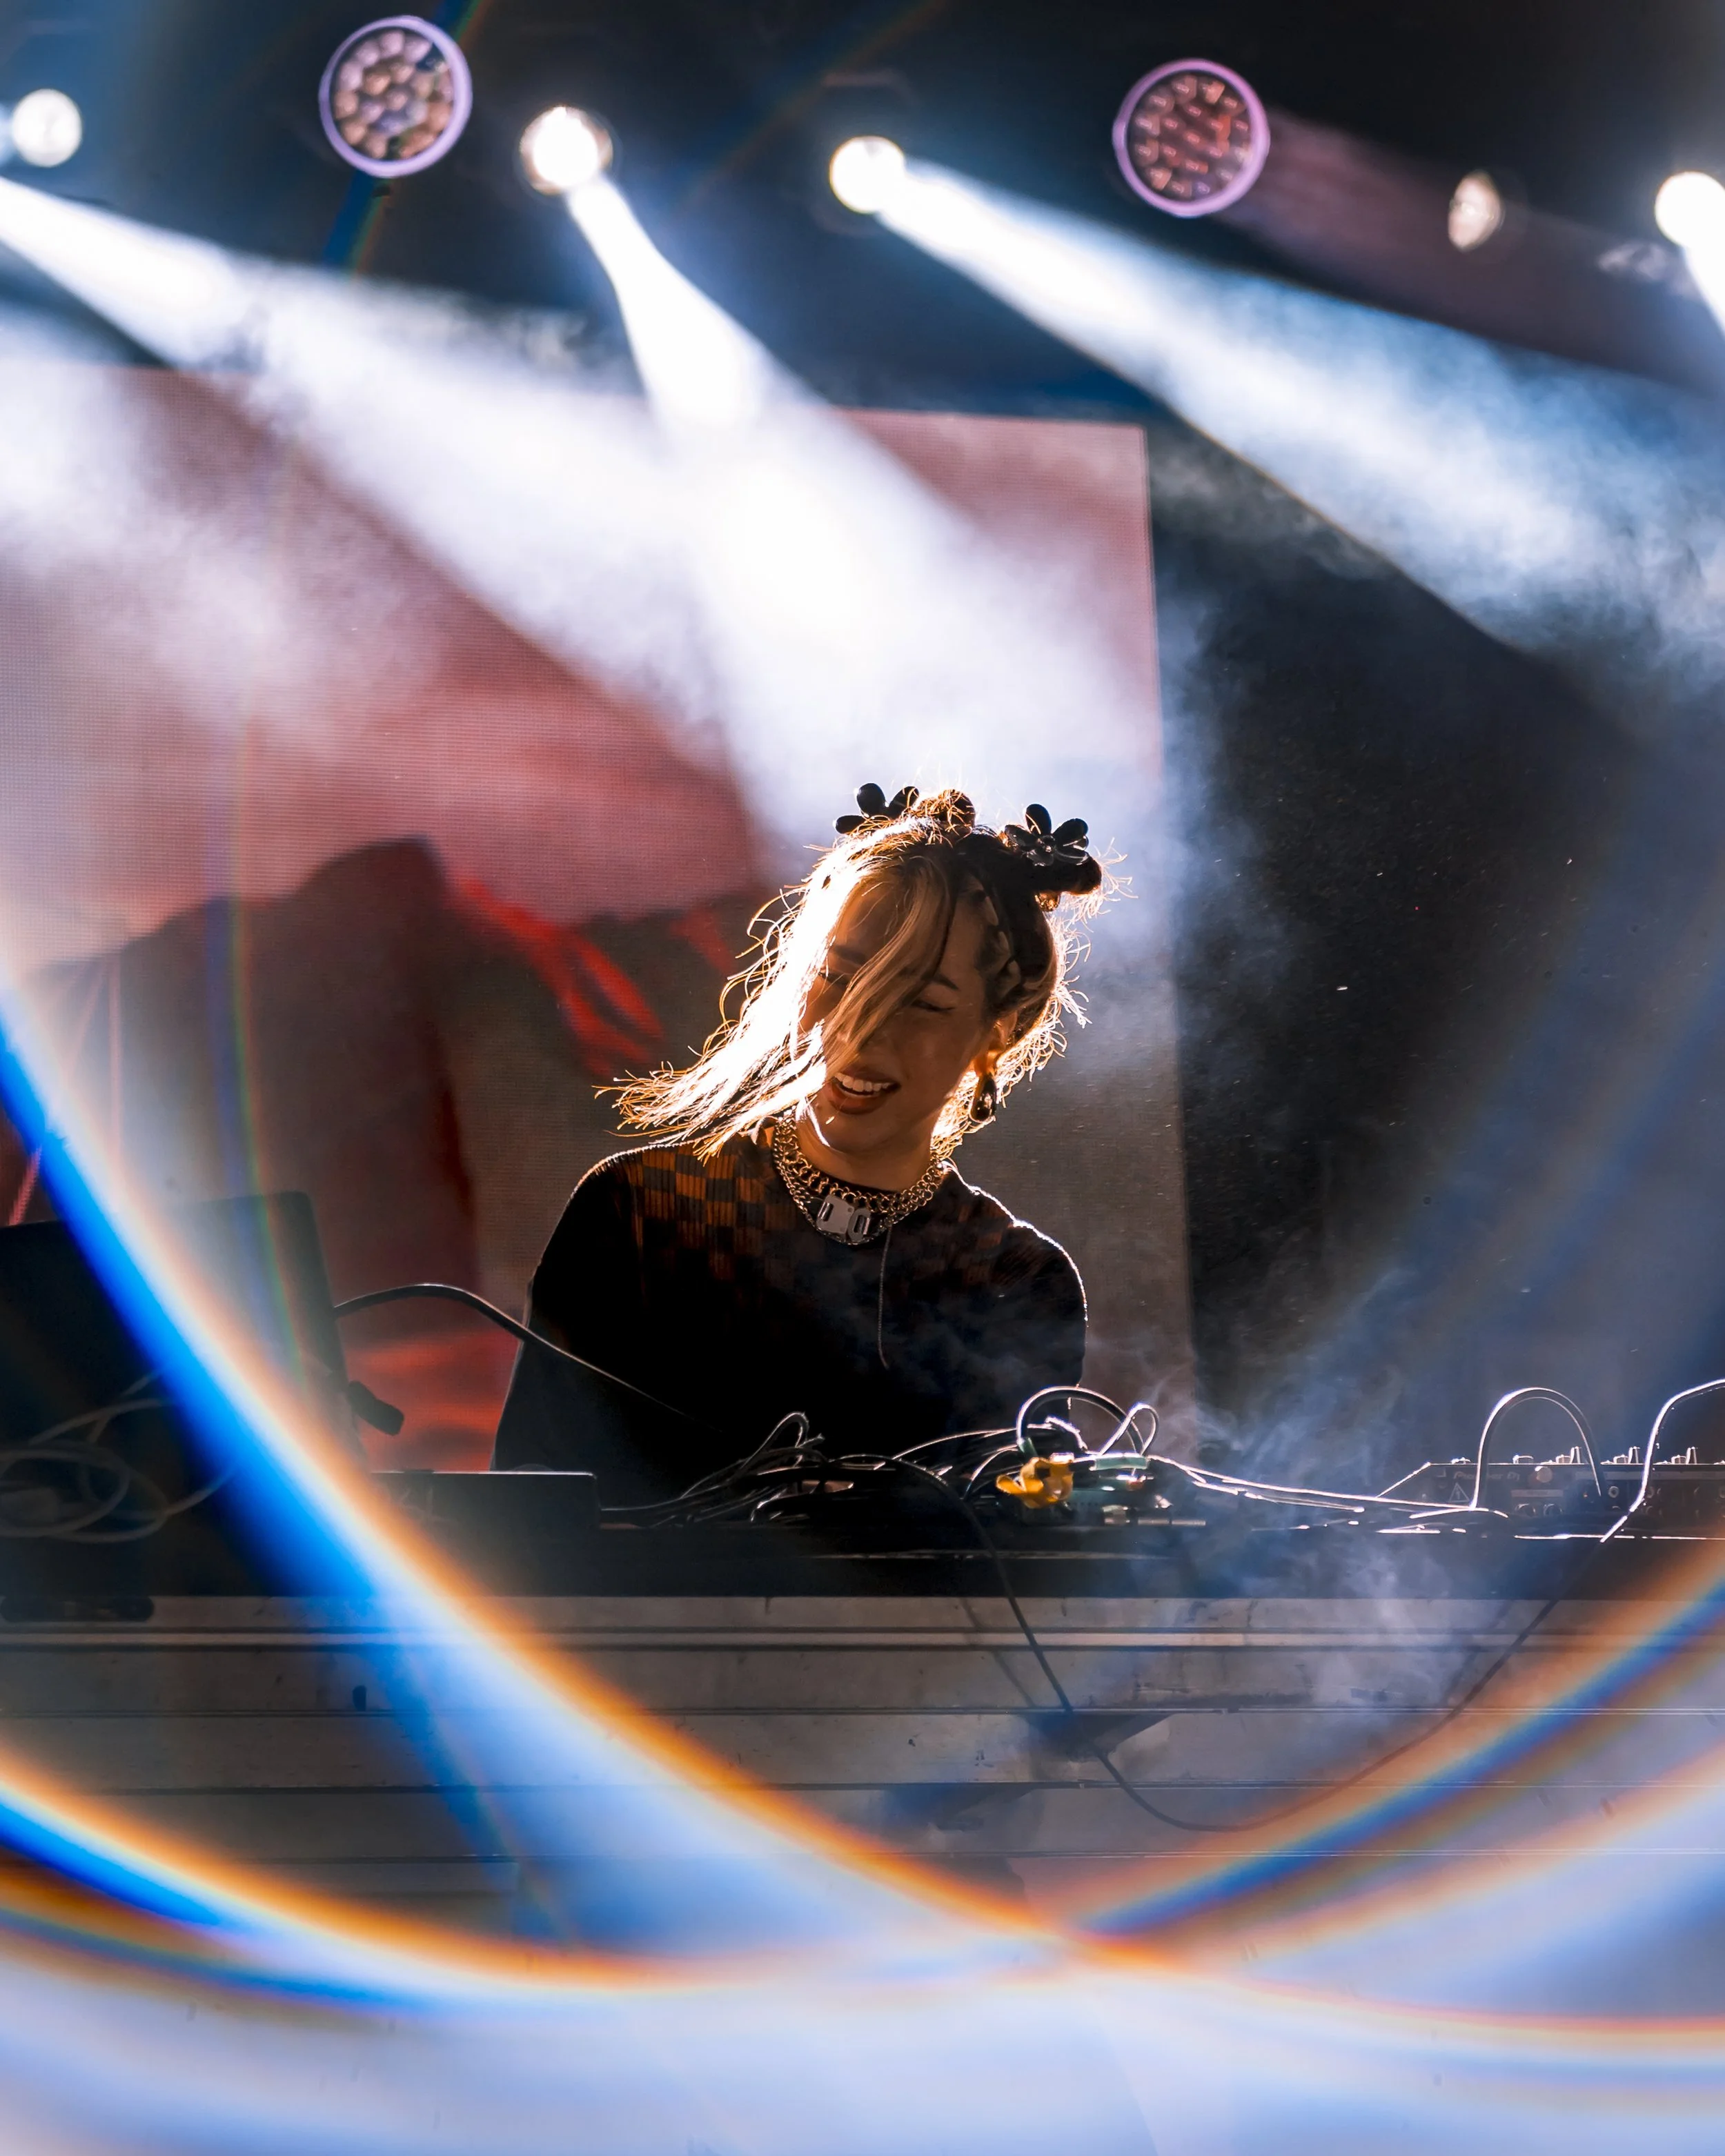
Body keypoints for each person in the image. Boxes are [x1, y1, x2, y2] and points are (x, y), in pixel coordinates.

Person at [491, 782, 1105, 1503]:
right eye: (838, 980)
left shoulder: (1014, 1277)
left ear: (997, 1033)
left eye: (922, 1003)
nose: (859, 1033)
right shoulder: (636, 1213)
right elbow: (531, 1514)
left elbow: (1002, 1566)